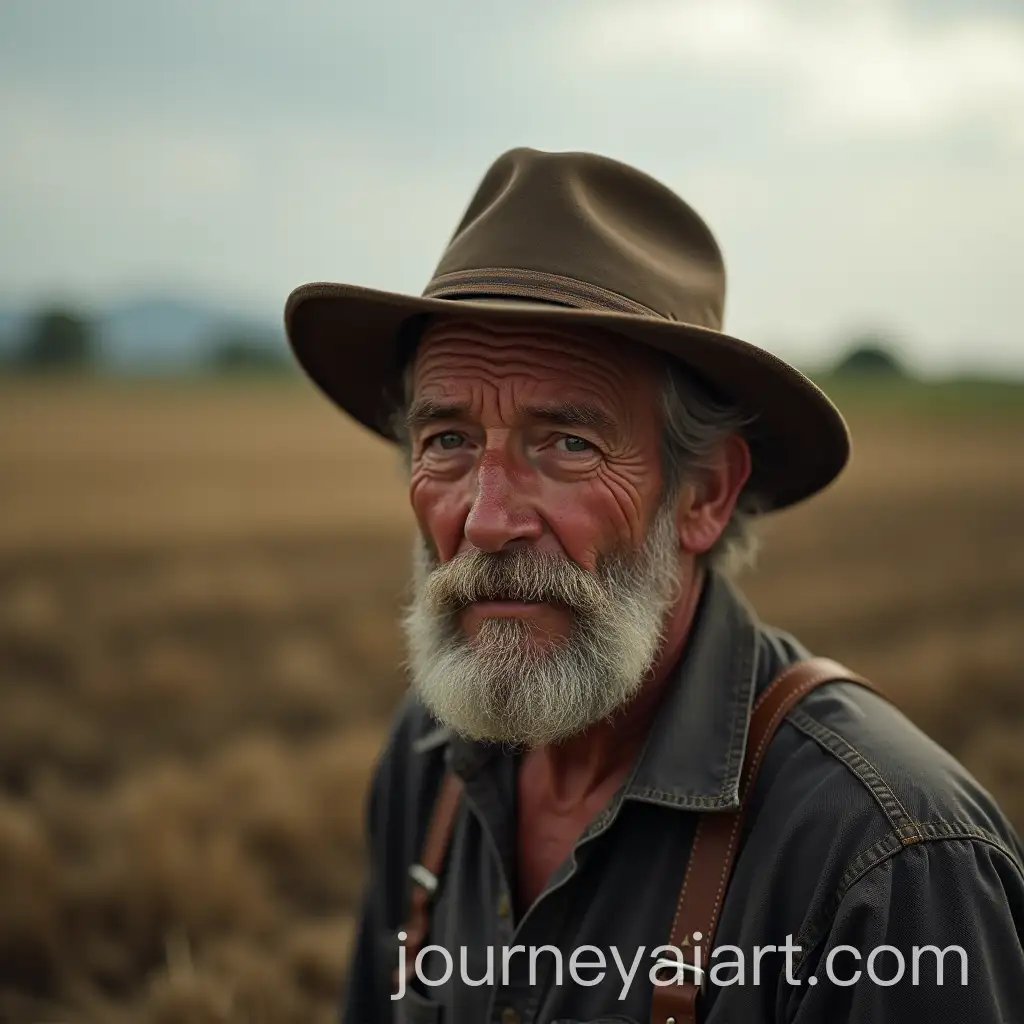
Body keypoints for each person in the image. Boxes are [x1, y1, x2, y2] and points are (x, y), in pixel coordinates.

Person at [285, 147, 1024, 1023]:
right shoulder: (430, 758)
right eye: (447, 440)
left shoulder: (890, 861)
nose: (485, 520)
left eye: (568, 444)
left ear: (704, 494)